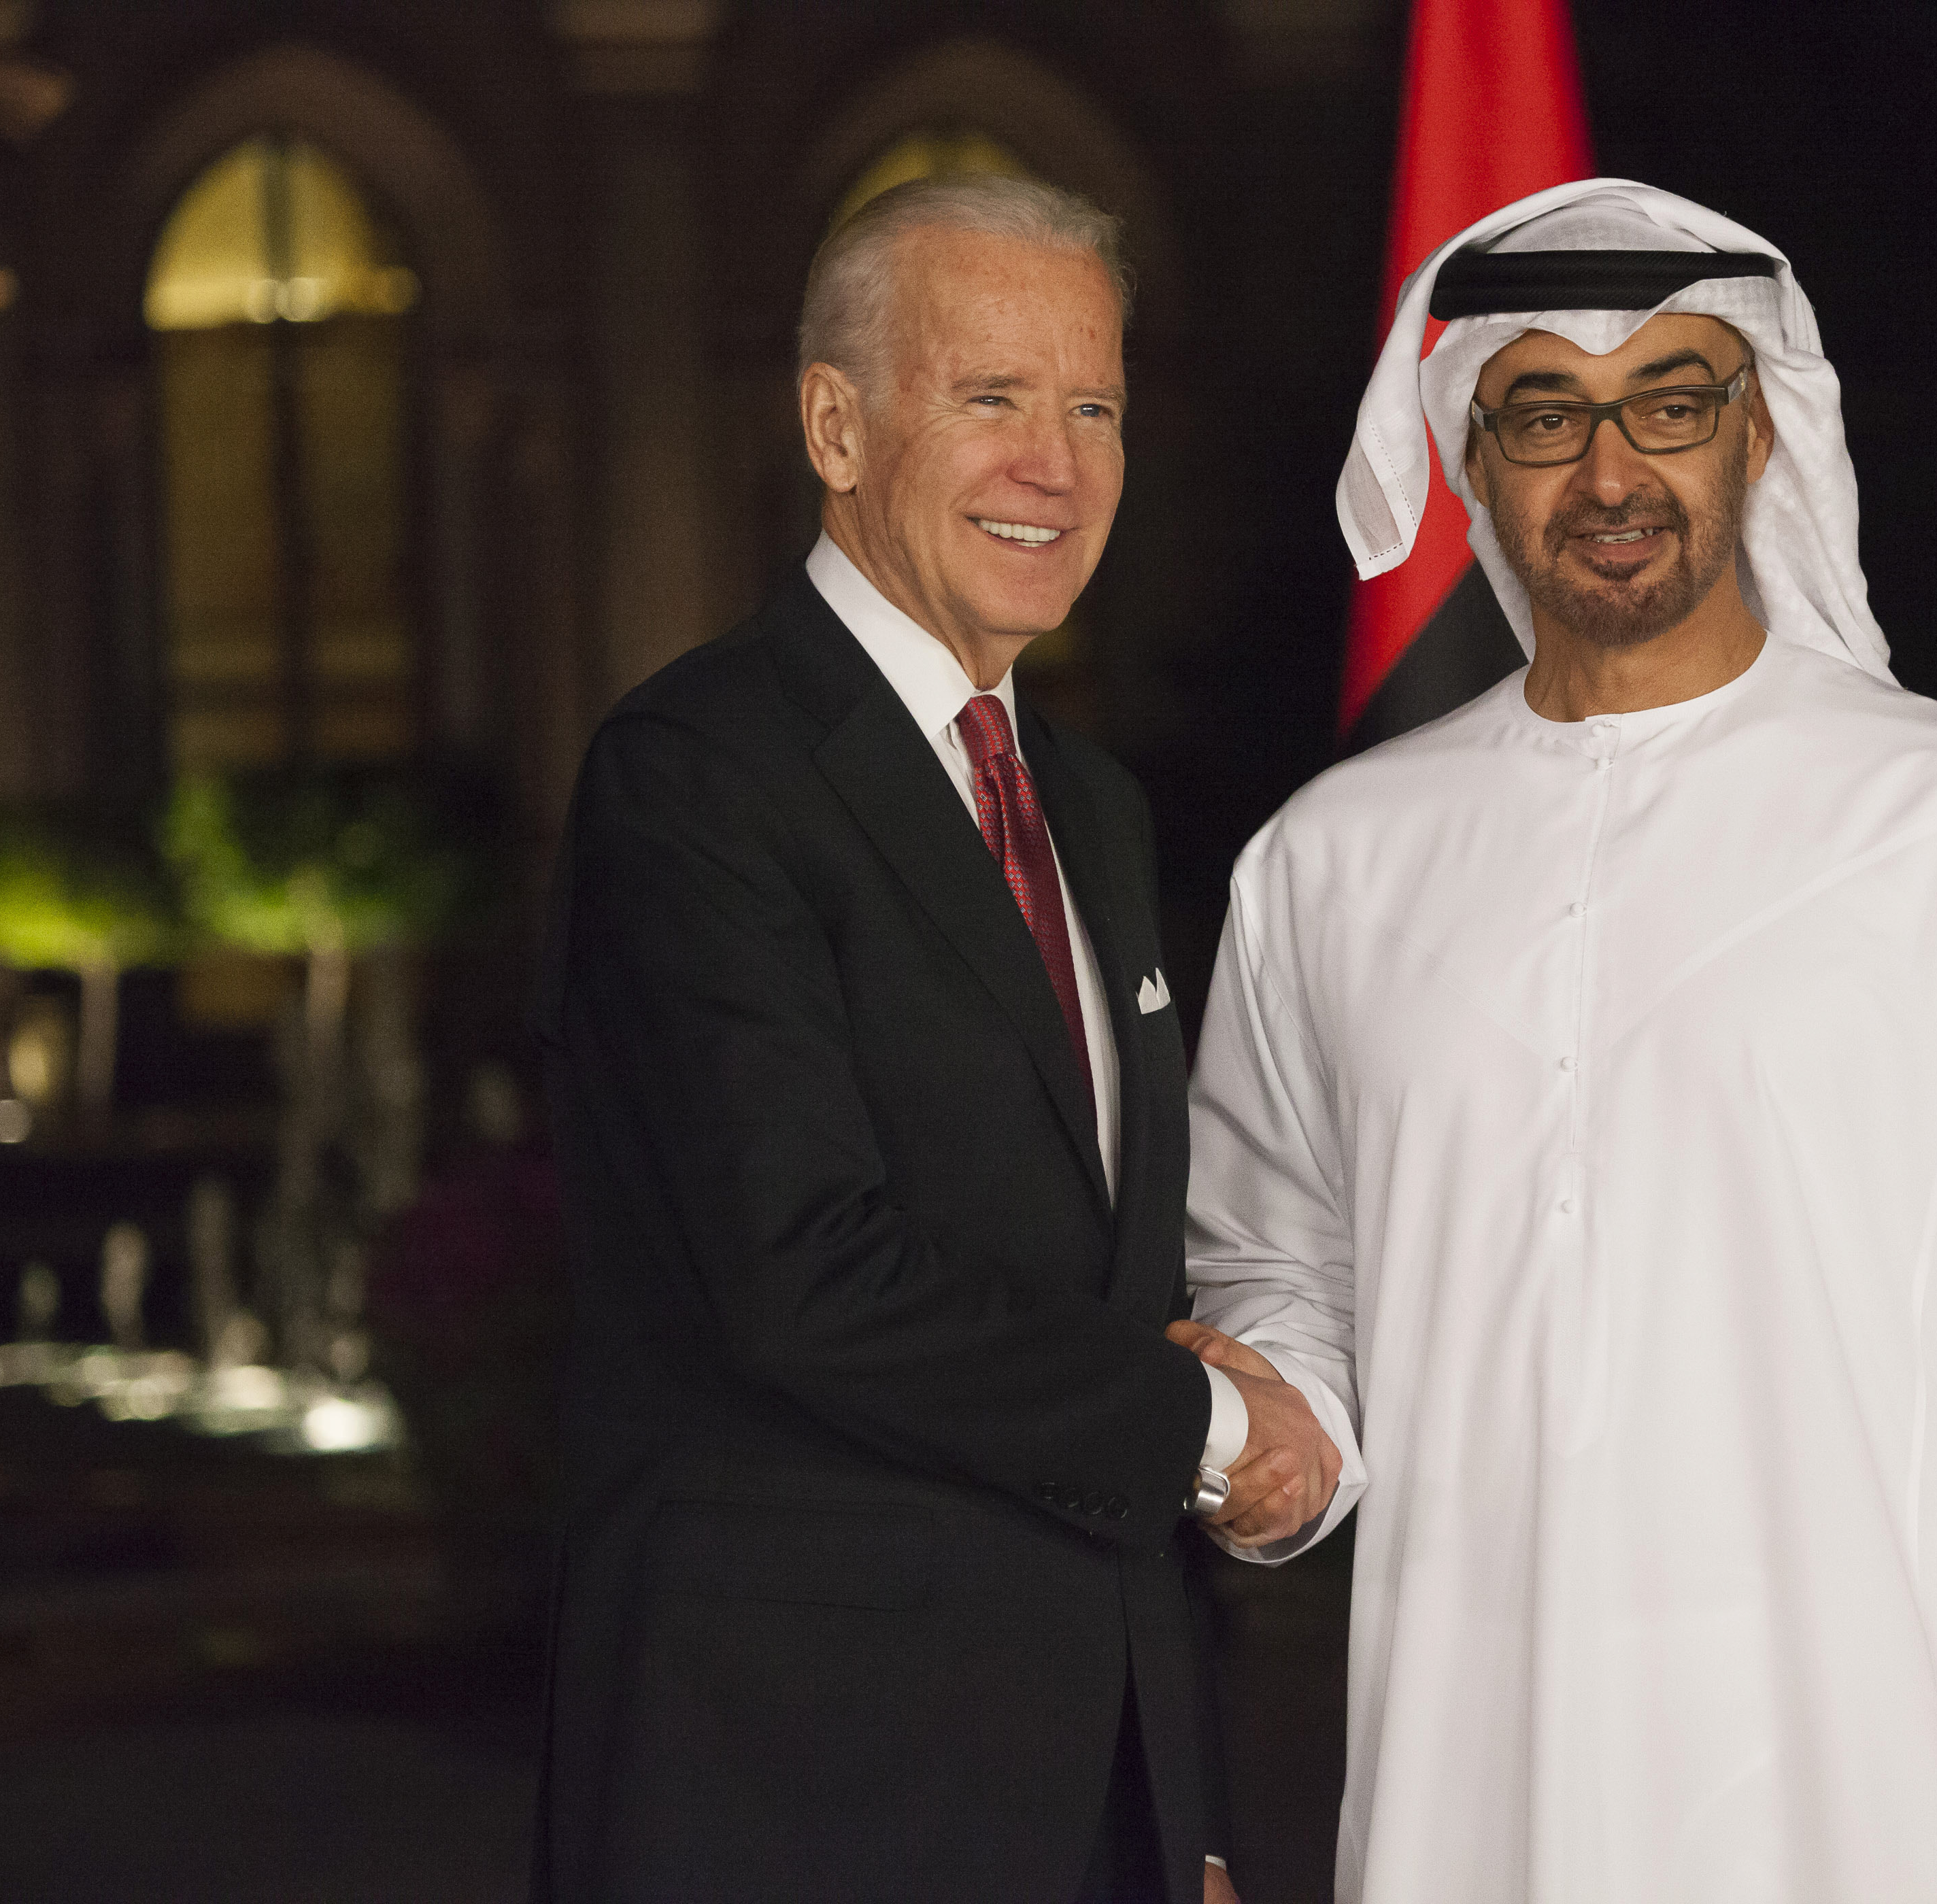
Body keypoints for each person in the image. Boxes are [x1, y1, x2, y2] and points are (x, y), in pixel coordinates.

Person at [1177, 181, 1937, 1903]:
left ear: (1760, 437)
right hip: (1462, 1804)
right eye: (1548, 414)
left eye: (1671, 400)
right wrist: (1282, 1446)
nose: (1611, 471)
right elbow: (1286, 1273)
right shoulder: (1326, 864)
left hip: (1855, 1815)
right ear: (1473, 455)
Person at [532, 174, 1338, 1903]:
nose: (1054, 463)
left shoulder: (1095, 812)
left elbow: (1117, 1296)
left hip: (1092, 1800)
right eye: (991, 398)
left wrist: (1179, 1806)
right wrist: (1214, 1425)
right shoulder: (698, 776)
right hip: (795, 1793)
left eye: (1095, 406)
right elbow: (804, 1273)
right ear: (835, 423)